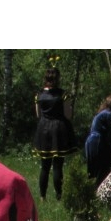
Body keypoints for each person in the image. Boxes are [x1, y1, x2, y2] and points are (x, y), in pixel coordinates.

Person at [33, 66, 78, 201]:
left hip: (43, 129)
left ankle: (42, 196)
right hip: (58, 129)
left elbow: (38, 114)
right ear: (57, 78)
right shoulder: (63, 94)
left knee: (45, 166)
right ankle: (59, 195)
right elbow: (68, 115)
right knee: (58, 165)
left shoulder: (39, 94)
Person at [85, 95, 111, 185]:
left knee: (93, 169)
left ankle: (90, 190)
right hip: (99, 141)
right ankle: (98, 191)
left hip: (90, 141)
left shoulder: (101, 113)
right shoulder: (110, 114)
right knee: (103, 168)